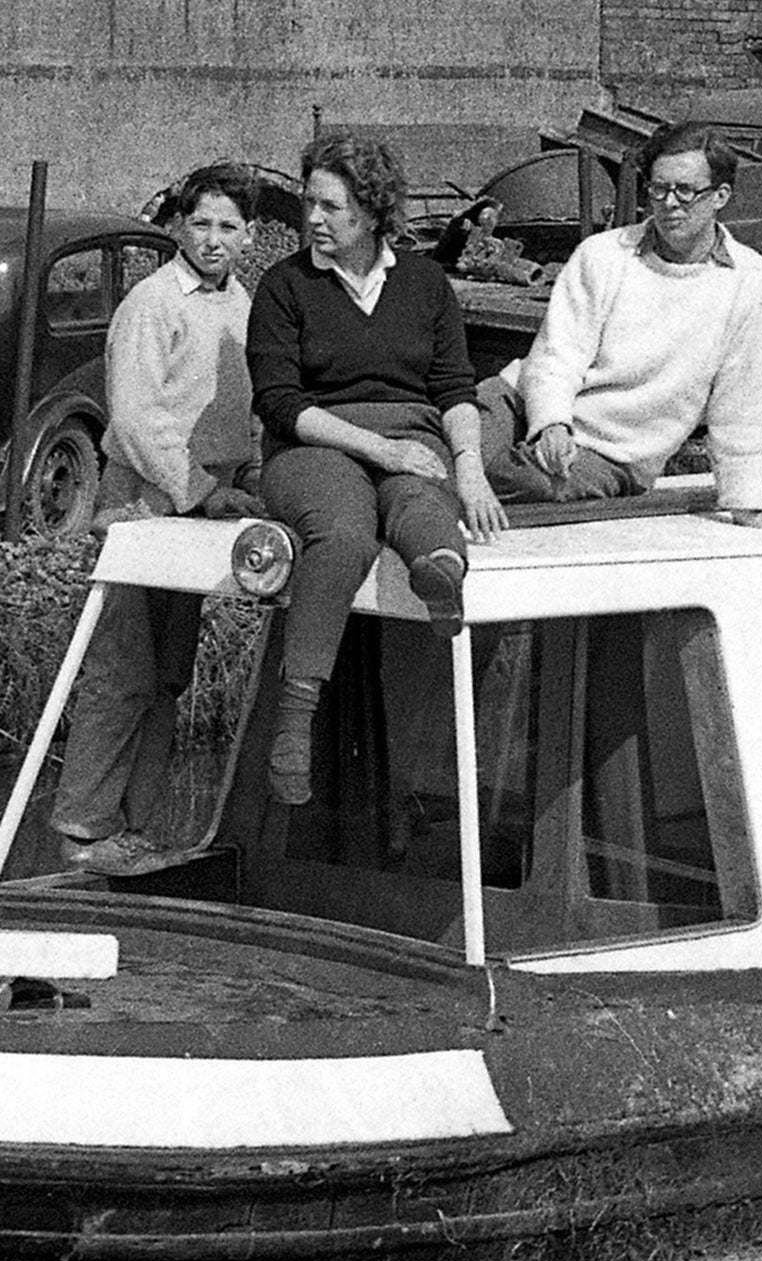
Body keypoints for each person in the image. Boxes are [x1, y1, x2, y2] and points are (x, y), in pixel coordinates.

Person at [247, 131, 507, 806]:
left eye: (330, 207)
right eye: (310, 203)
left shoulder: (423, 283)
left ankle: (439, 572)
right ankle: (296, 719)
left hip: (412, 433)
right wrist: (383, 450)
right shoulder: (283, 288)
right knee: (345, 533)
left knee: (422, 505)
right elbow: (278, 402)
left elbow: (454, 388)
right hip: (313, 445)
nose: (313, 219)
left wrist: (470, 469)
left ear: (370, 211)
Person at [50, 162, 264, 876]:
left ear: (249, 236)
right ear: (177, 227)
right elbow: (139, 421)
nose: (212, 239)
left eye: (227, 226)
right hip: (141, 507)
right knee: (122, 672)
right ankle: (83, 829)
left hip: (204, 513)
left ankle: (137, 828)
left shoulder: (244, 308)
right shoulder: (150, 303)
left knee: (169, 674)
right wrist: (200, 490)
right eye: (200, 224)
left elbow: (249, 414)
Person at [479, 120, 762, 529]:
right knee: (445, 438)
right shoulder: (603, 254)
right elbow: (558, 353)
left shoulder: (752, 282)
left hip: (612, 455)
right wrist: (551, 423)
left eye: (685, 190)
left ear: (720, 196)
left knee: (514, 481)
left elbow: (741, 408)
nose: (669, 203)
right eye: (658, 189)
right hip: (525, 403)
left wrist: (744, 505)